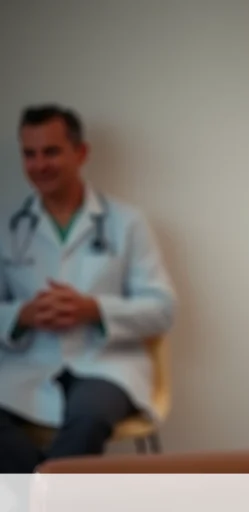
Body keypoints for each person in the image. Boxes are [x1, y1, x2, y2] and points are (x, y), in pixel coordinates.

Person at [0, 105, 176, 472]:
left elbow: (162, 309)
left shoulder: (127, 223)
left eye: (51, 152)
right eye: (29, 154)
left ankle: (35, 500)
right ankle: (53, 498)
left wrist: (94, 309)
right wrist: (22, 315)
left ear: (80, 153)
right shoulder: (9, 228)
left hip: (104, 363)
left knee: (89, 418)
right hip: (27, 366)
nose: (39, 165)